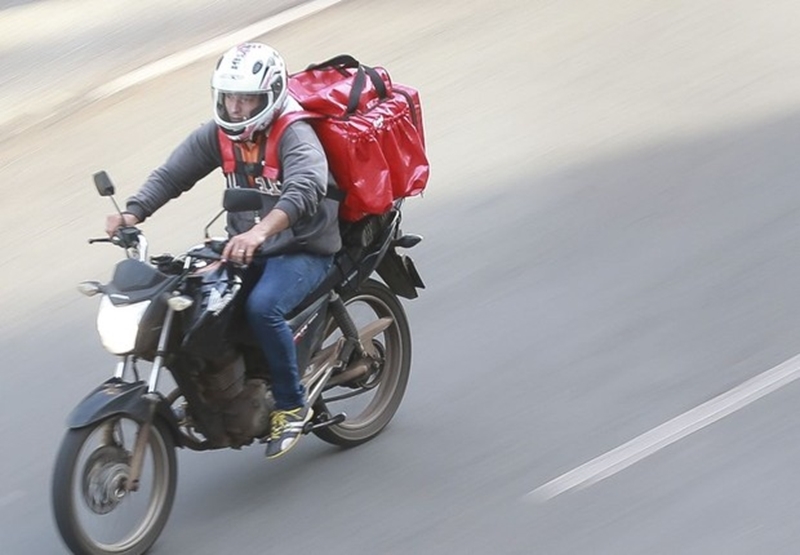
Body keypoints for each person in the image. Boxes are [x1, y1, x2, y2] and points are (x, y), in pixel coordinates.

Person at [105, 42, 342, 459]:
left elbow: (305, 189)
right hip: (243, 244)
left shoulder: (294, 134)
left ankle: (290, 404)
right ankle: (221, 385)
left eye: (246, 97)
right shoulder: (220, 134)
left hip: (302, 246)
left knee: (262, 307)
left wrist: (261, 232)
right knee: (193, 297)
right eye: (229, 97)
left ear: (269, 96)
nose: (235, 107)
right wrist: (133, 213)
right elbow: (174, 172)